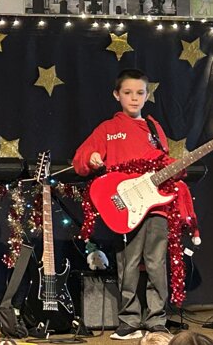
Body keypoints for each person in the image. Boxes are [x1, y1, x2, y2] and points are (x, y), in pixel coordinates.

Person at [72, 69, 197, 340]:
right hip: (126, 207)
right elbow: (80, 160)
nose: (134, 98)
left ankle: (156, 320)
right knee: (127, 263)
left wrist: (177, 168)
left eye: (140, 93)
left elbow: (162, 162)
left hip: (157, 206)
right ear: (116, 95)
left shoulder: (154, 128)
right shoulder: (108, 129)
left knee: (156, 263)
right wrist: (92, 157)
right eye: (128, 93)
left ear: (147, 95)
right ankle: (129, 320)